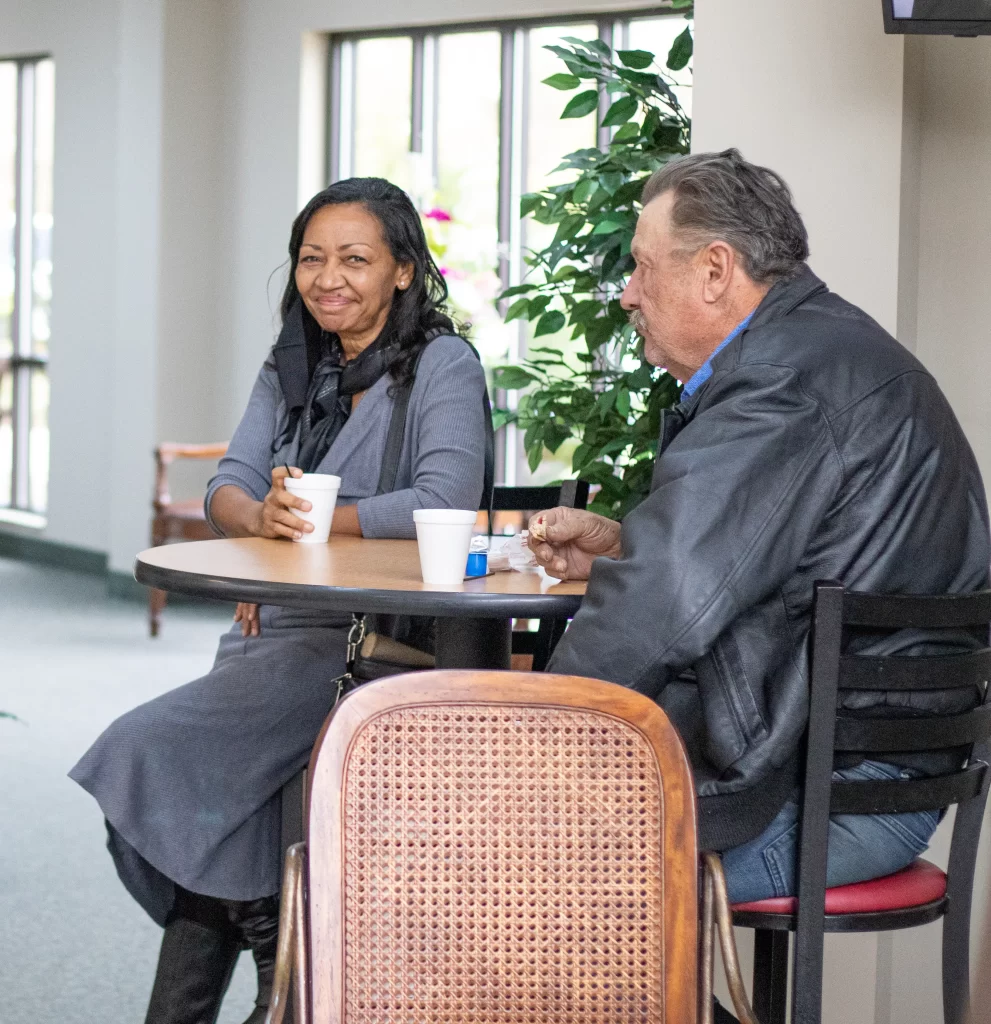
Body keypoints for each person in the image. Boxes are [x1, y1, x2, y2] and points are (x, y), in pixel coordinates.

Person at [71, 178, 489, 1024]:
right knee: (234, 813)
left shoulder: (443, 365)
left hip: (377, 645)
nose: (327, 278)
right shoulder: (294, 364)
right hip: (276, 631)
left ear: (404, 271)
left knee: (149, 751)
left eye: (354, 259)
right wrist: (259, 516)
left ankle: (265, 947)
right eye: (311, 258)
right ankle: (272, 949)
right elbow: (228, 483)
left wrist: (313, 526)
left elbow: (447, 500)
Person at [529, 149, 990, 906]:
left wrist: (515, 740)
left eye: (643, 268)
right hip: (857, 774)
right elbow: (780, 564)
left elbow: (668, 598)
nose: (626, 295)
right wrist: (622, 547)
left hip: (822, 797)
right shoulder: (824, 350)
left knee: (491, 875)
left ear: (715, 270)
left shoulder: (780, 383)